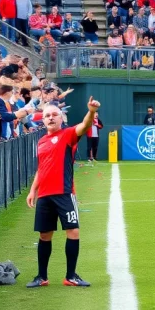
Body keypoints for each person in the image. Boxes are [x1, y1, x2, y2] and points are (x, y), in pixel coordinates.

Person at [25, 97, 101, 288]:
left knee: (73, 231)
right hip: (44, 195)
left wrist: (91, 111)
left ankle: (71, 276)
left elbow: (84, 126)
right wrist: (33, 190)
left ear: (61, 118)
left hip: (64, 193)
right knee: (44, 235)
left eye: (54, 115)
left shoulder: (68, 134)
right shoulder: (41, 141)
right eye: (47, 116)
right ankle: (42, 277)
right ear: (43, 120)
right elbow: (41, 169)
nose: (50, 118)